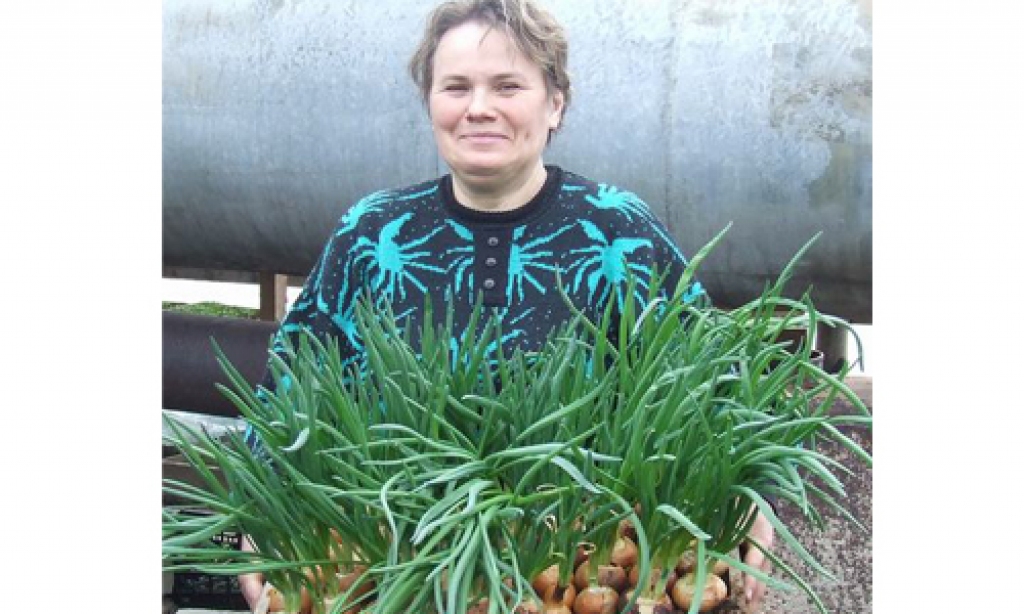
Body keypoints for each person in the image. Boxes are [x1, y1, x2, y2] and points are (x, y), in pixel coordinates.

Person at [239, 0, 775, 610]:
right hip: (396, 575)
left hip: (578, 578)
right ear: (430, 103)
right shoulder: (371, 232)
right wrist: (267, 520)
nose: (478, 107)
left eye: (507, 85)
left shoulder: (617, 231)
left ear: (555, 103)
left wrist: (750, 500)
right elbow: (285, 389)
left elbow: (717, 387)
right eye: (456, 87)